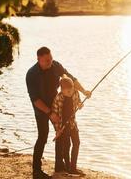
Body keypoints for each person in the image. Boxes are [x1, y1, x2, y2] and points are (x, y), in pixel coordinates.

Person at [26, 46, 91, 179]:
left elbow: (71, 79)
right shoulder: (31, 74)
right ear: (38, 59)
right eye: (46, 60)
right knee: (42, 137)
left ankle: (59, 165)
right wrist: (50, 113)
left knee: (61, 134)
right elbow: (35, 99)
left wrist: (84, 91)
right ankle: (36, 171)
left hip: (56, 103)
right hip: (41, 108)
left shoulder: (55, 66)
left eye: (51, 58)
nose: (50, 62)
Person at [51, 76, 83, 174]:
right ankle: (68, 166)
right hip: (63, 125)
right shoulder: (58, 98)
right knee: (67, 145)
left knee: (76, 143)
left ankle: (73, 167)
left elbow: (79, 103)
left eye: (72, 89)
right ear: (62, 90)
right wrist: (58, 130)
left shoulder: (75, 93)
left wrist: (80, 105)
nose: (71, 92)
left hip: (73, 123)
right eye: (68, 91)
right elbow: (55, 117)